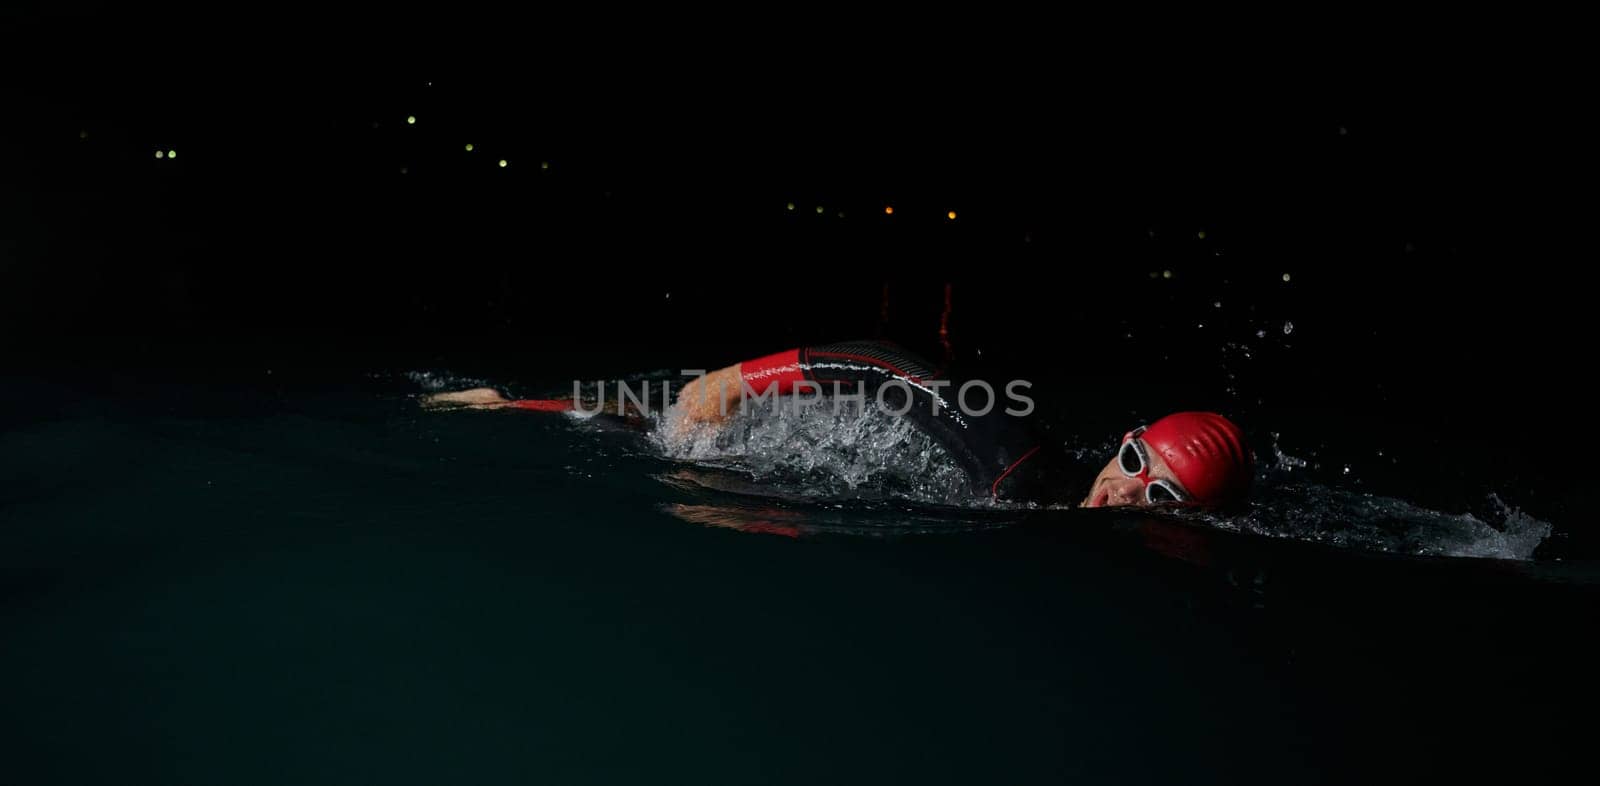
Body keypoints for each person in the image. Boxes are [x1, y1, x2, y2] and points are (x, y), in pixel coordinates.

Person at [423, 339, 1254, 508]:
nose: (1124, 491)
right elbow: (887, 364)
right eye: (1136, 460)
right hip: (823, 425)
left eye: (1162, 498)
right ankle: (510, 403)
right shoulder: (1019, 470)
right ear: (1125, 439)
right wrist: (739, 379)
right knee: (681, 437)